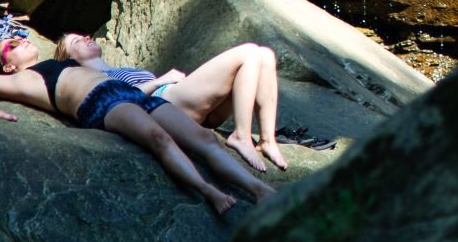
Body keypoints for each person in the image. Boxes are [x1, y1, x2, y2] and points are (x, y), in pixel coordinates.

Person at [0, 34, 273, 217]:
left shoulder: (59, 62)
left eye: (21, 35)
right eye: (12, 45)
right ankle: (208, 190)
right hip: (100, 102)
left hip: (130, 93)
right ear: (7, 65)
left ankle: (258, 189)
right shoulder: (21, 79)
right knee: (157, 137)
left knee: (205, 139)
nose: (21, 40)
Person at [56, 33, 289, 173]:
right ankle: (241, 136)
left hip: (188, 105)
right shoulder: (89, 79)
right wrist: (160, 81)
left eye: (84, 35)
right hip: (163, 103)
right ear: (69, 59)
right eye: (77, 41)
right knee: (248, 51)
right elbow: (118, 99)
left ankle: (268, 140)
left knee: (265, 54)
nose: (86, 37)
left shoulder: (119, 69)